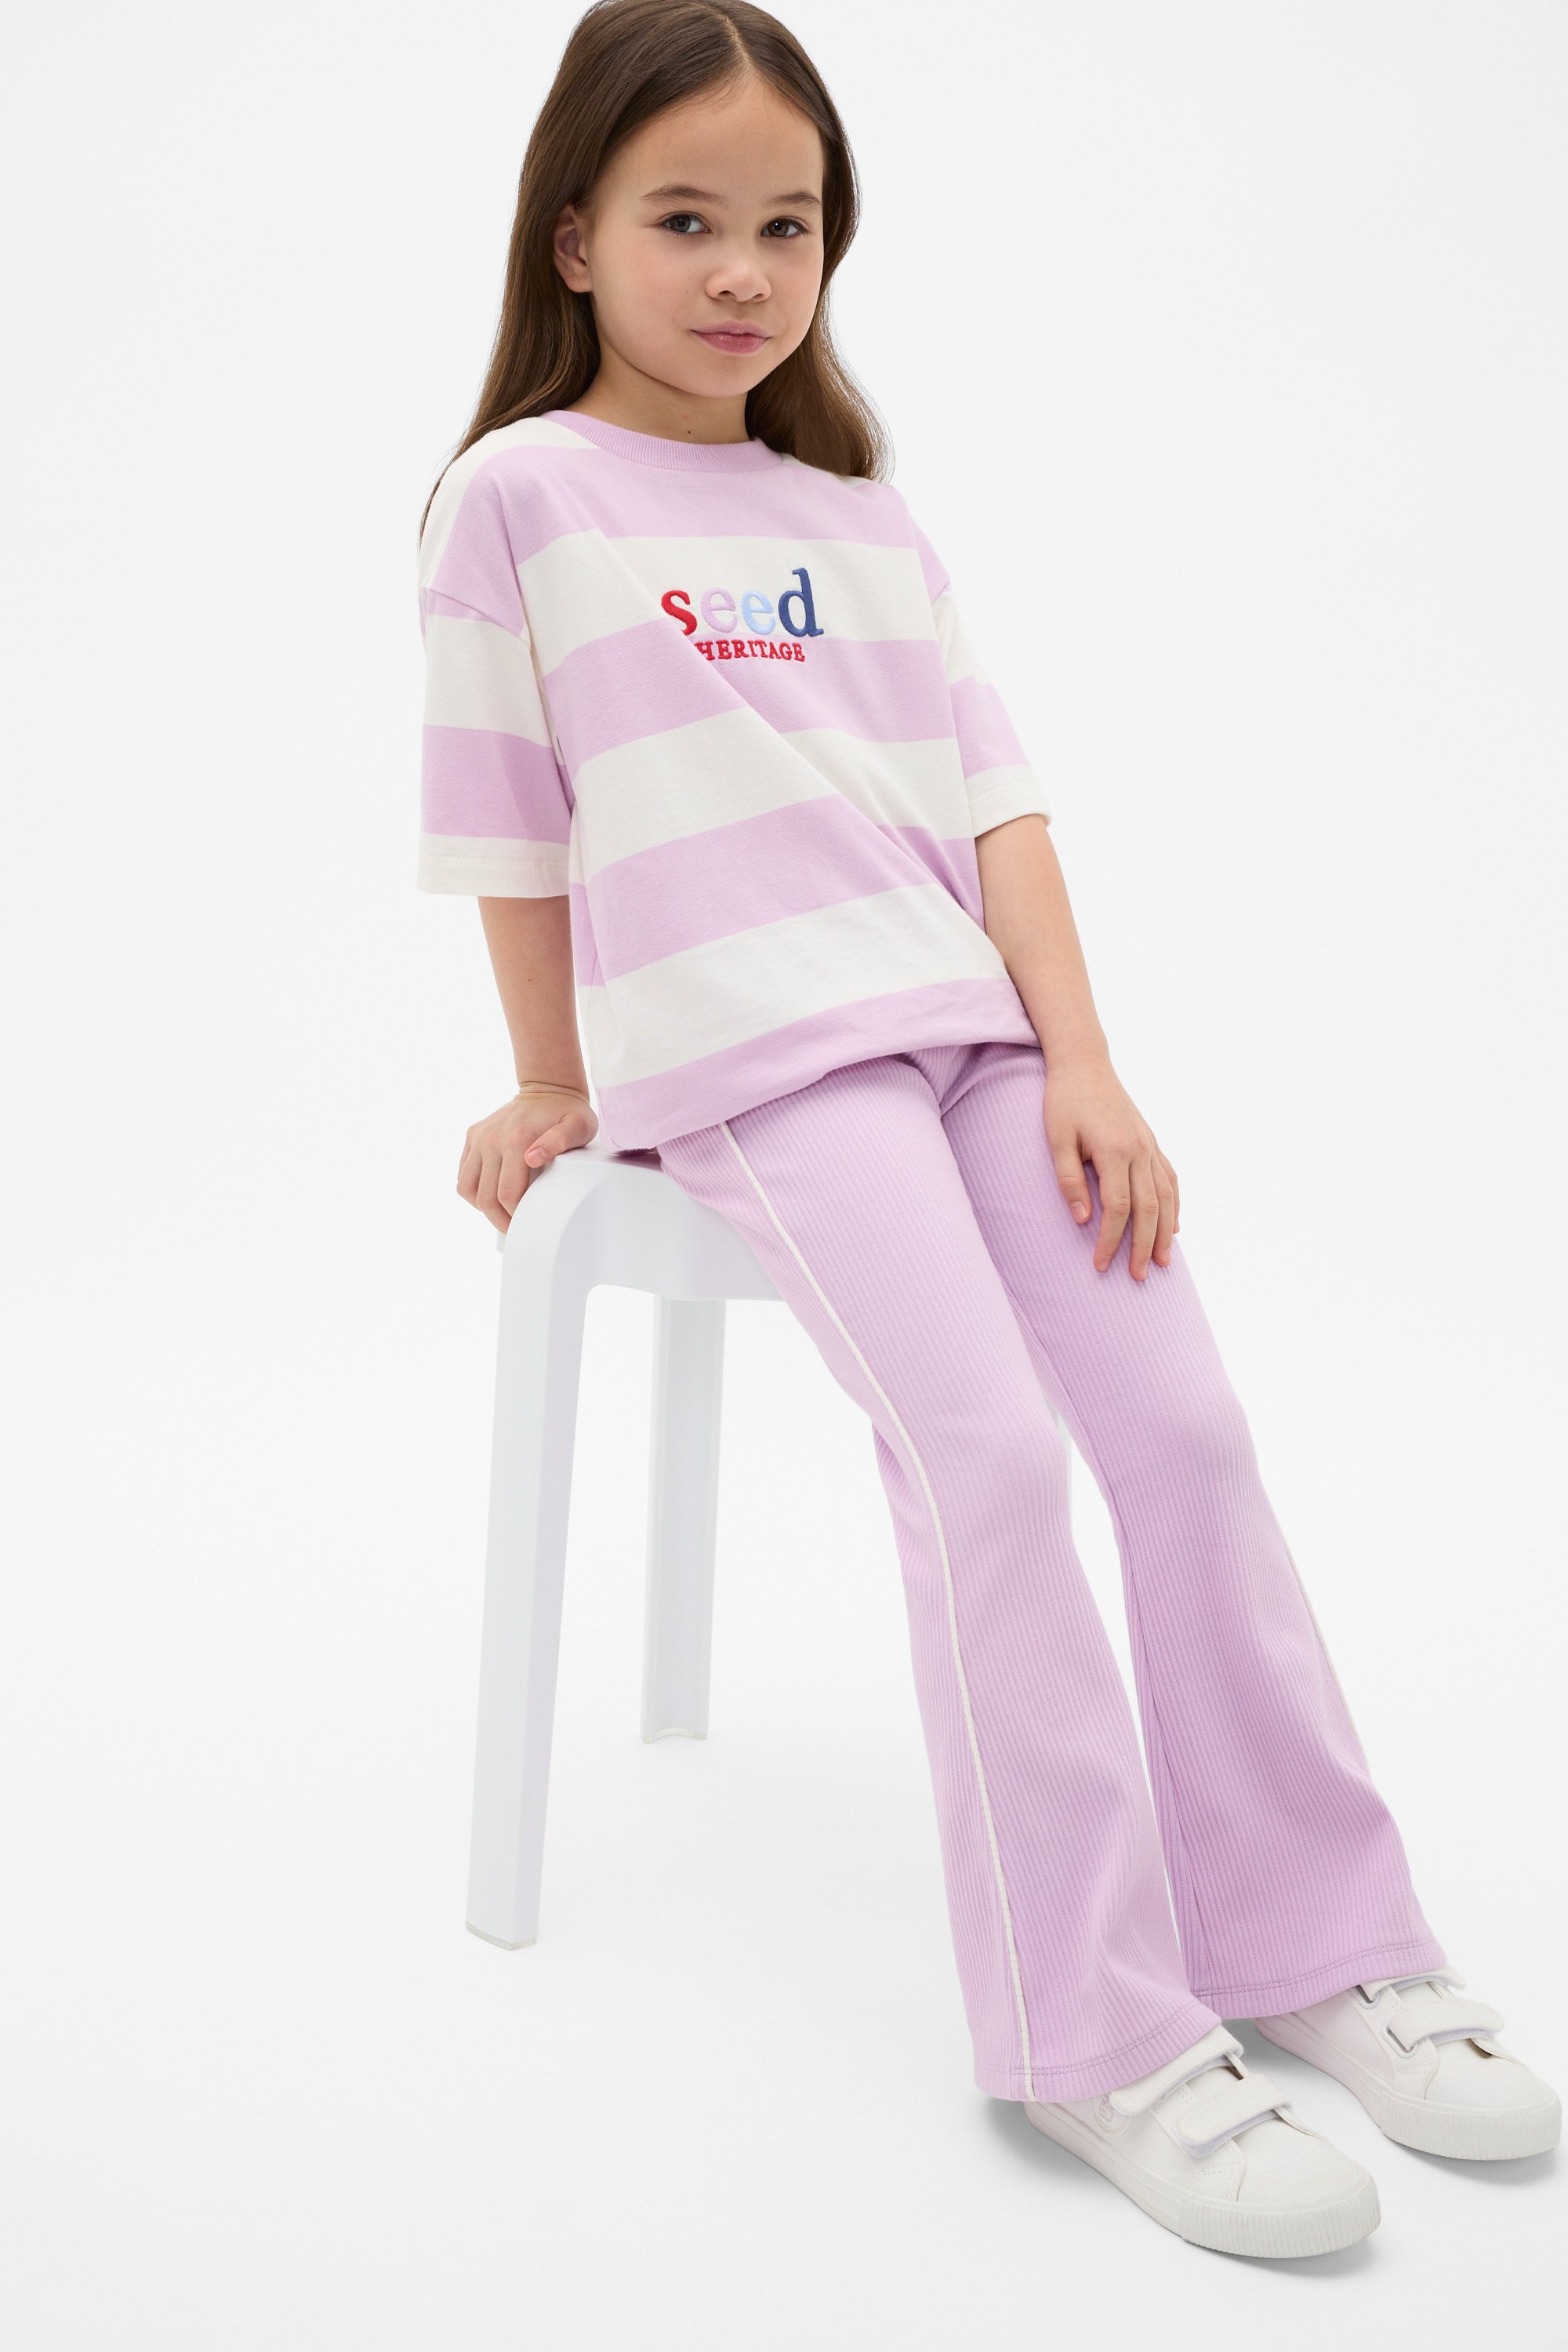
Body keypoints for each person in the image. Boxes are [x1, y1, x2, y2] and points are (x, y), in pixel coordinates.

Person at [414, 0, 1559, 2258]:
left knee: (1187, 1438)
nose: (742, 270)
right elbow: (509, 824)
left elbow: (996, 805)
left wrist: (1086, 1059)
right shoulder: (517, 499)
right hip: (767, 1060)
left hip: (980, 1037)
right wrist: (555, 1077)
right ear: (573, 239)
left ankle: (1318, 1941)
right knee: (991, 1466)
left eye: (788, 227)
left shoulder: (861, 513)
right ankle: (1095, 2031)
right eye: (684, 219)